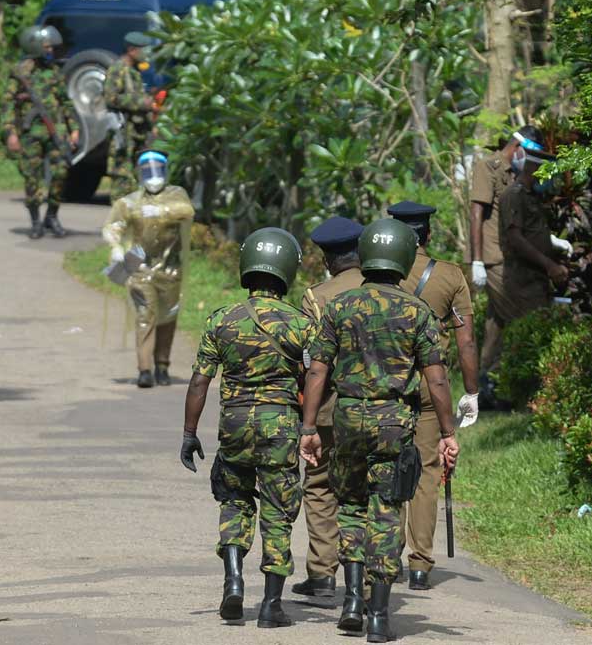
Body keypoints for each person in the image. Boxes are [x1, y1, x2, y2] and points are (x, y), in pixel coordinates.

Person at [299, 219, 459, 643]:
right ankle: (379, 615)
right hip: (395, 422)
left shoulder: (339, 306)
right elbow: (437, 379)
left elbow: (318, 370)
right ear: (404, 259)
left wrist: (310, 426)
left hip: (348, 419)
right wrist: (447, 432)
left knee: (350, 506)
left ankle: (352, 600)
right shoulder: (417, 311)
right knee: (386, 510)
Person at [180, 227, 313, 629]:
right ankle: (272, 605)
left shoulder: (221, 320)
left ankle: (233, 580)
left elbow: (200, 381)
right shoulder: (302, 325)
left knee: (234, 501)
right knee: (278, 510)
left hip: (234, 427)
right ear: (286, 270)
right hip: (280, 429)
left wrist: (189, 433)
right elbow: (315, 379)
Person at [387, 200, 479, 591]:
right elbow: (466, 341)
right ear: (429, 234)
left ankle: (386, 556)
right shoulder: (450, 276)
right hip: (430, 386)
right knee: (426, 474)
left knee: (387, 469)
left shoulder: (377, 275)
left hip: (385, 385)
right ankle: (421, 564)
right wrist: (471, 392)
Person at [290, 216, 364, 599]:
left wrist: (306, 418)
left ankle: (321, 572)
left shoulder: (316, 297)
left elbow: (310, 362)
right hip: (378, 409)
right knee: (373, 485)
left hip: (329, 408)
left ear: (328, 258)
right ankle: (372, 570)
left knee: (320, 484)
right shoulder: (386, 289)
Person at [102, 151, 194, 388]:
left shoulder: (176, 194)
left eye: (158, 170)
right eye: (148, 171)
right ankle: (145, 369)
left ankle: (162, 366)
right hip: (140, 268)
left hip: (171, 269)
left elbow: (186, 211)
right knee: (146, 315)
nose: (153, 176)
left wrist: (161, 212)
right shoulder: (130, 202)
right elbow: (114, 226)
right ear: (140, 174)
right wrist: (116, 247)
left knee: (168, 316)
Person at [468, 125, 544, 404]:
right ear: (518, 148)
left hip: (505, 256)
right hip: (491, 258)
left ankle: (487, 387)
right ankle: (522, 383)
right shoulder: (487, 167)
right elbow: (476, 214)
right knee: (523, 314)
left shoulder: (514, 173)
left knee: (496, 326)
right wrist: (477, 261)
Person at [1, 25, 80, 239]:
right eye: (47, 47)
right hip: (30, 134)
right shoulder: (20, 73)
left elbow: (66, 103)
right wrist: (10, 133)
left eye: (51, 47)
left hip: (56, 132)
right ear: (35, 47)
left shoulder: (54, 72)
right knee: (32, 178)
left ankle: (52, 216)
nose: (51, 51)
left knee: (61, 172)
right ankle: (35, 221)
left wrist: (74, 130)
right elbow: (7, 105)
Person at [498, 139, 572, 323]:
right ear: (535, 171)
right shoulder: (513, 196)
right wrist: (550, 266)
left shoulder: (533, 197)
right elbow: (515, 238)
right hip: (523, 281)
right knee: (530, 331)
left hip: (537, 279)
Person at [104, 32, 155, 202]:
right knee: (122, 179)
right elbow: (111, 98)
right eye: (143, 50)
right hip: (124, 132)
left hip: (137, 133)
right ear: (132, 50)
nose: (146, 54)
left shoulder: (134, 72)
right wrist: (142, 103)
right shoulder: (118, 69)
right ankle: (119, 223)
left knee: (136, 180)